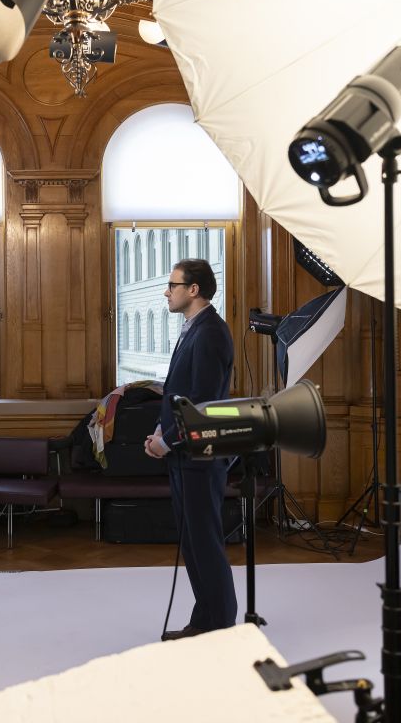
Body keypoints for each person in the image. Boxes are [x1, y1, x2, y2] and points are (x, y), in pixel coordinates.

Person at [144, 258, 236, 640]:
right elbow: (178, 393)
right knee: (193, 542)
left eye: (172, 284)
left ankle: (217, 623)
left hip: (200, 457)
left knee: (204, 542)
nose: (167, 291)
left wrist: (168, 440)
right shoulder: (193, 328)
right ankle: (207, 617)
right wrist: (160, 429)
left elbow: (203, 403)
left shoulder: (212, 332)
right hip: (185, 454)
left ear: (193, 290)